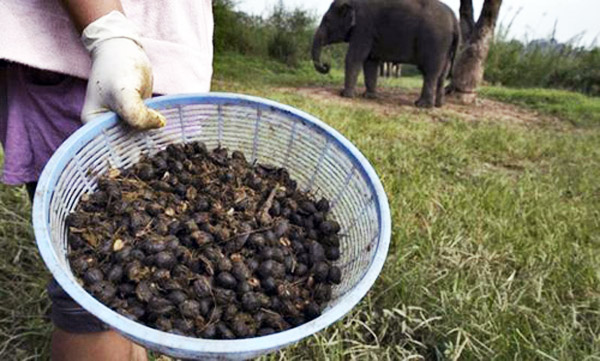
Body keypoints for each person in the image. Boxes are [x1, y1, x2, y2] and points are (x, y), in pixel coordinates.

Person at [0, 0, 214, 360]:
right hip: (81, 54)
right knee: (93, 299)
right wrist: (107, 32)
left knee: (135, 288)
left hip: (168, 67)